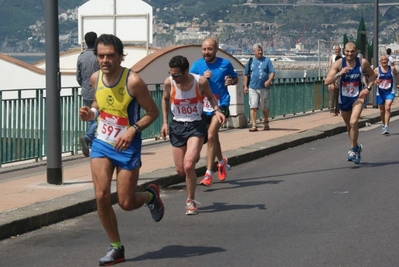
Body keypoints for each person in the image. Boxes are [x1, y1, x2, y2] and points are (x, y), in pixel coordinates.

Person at [78, 34, 164, 266]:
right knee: (101, 195)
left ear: (120, 56)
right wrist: (92, 114)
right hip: (102, 143)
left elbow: (153, 112)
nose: (105, 60)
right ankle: (116, 247)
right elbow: (100, 105)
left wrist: (132, 129)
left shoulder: (133, 81)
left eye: (110, 56)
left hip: (127, 146)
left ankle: (150, 196)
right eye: (101, 56)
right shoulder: (95, 78)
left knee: (125, 202)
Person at [161, 55, 226, 215]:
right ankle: (193, 156)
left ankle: (190, 201)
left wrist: (217, 111)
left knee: (189, 165)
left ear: (186, 71)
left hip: (196, 125)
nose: (174, 77)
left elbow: (211, 97)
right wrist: (164, 122)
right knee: (181, 170)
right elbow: (164, 100)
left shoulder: (200, 82)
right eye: (171, 74)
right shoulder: (169, 82)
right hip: (177, 126)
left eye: (177, 74)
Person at [190, 37, 238, 187]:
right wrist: (201, 79)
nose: (206, 52)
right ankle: (222, 162)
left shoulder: (225, 64)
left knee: (210, 135)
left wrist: (231, 81)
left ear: (216, 49)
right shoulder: (197, 65)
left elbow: (235, 78)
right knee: (213, 137)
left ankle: (208, 174)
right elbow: (189, 83)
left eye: (210, 49)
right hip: (203, 107)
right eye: (204, 49)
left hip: (221, 104)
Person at [325, 41, 376, 164]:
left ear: (356, 51)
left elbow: (373, 75)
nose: (349, 53)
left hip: (358, 97)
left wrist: (367, 89)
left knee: (354, 122)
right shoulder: (338, 63)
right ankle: (357, 147)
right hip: (344, 99)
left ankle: (352, 149)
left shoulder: (362, 62)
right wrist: (339, 73)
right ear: (344, 51)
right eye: (347, 51)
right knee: (349, 126)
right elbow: (326, 81)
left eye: (352, 51)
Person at [77, 31, 100, 157]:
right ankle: (88, 138)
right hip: (99, 91)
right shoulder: (98, 56)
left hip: (86, 91)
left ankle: (91, 144)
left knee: (90, 118)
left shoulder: (81, 56)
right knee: (101, 117)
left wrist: (84, 85)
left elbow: (78, 76)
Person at [243, 43, 275, 131]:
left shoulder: (267, 61)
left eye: (261, 50)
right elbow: (245, 74)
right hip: (253, 87)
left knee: (265, 107)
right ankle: (254, 125)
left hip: (264, 88)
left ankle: (266, 122)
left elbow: (272, 72)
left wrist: (269, 81)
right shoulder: (250, 62)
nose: (260, 52)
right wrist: (245, 86)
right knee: (253, 105)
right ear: (254, 52)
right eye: (258, 50)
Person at [374, 55, 398, 135]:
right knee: (381, 110)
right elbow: (372, 78)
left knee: (387, 107)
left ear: (388, 61)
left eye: (385, 60)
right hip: (380, 92)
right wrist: (375, 81)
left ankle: (387, 126)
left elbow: (397, 75)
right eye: (382, 60)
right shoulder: (377, 70)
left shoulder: (392, 69)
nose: (384, 62)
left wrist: (397, 83)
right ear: (380, 61)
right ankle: (383, 124)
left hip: (390, 91)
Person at [327, 45, 342, 116]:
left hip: (341, 80)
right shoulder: (332, 57)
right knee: (332, 96)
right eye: (336, 49)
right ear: (334, 50)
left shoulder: (343, 57)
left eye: (338, 49)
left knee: (339, 96)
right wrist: (331, 83)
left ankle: (338, 110)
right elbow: (329, 69)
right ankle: (331, 110)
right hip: (334, 79)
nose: (337, 50)